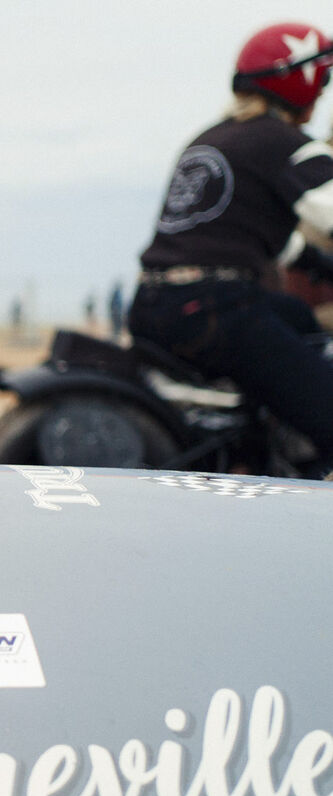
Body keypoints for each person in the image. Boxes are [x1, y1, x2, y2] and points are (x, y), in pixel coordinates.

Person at [128, 22, 333, 468]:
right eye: (325, 77)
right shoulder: (286, 143)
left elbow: (245, 230)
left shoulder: (209, 139)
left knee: (299, 319)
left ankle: (267, 450)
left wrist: (316, 261)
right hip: (218, 311)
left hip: (154, 305)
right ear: (302, 79)